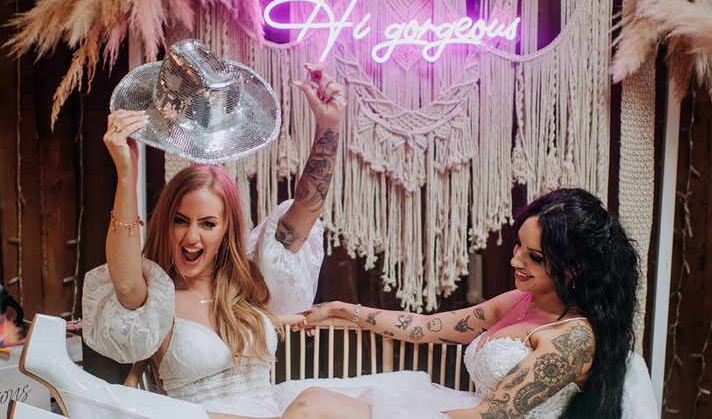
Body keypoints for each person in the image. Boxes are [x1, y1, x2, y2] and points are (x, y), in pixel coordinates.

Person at [81, 39, 344, 417]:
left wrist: (329, 126)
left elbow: (305, 208)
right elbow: (123, 280)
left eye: (207, 224)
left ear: (226, 230)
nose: (191, 237)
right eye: (180, 220)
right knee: (312, 405)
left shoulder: (250, 283)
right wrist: (127, 171)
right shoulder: (155, 297)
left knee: (330, 403)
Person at [278, 187, 658, 419]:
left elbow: (490, 415)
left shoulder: (571, 338)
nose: (515, 261)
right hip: (466, 412)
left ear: (573, 269)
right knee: (308, 400)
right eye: (517, 246)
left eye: (534, 258)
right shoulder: (520, 300)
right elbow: (424, 328)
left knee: (315, 406)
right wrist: (341, 309)